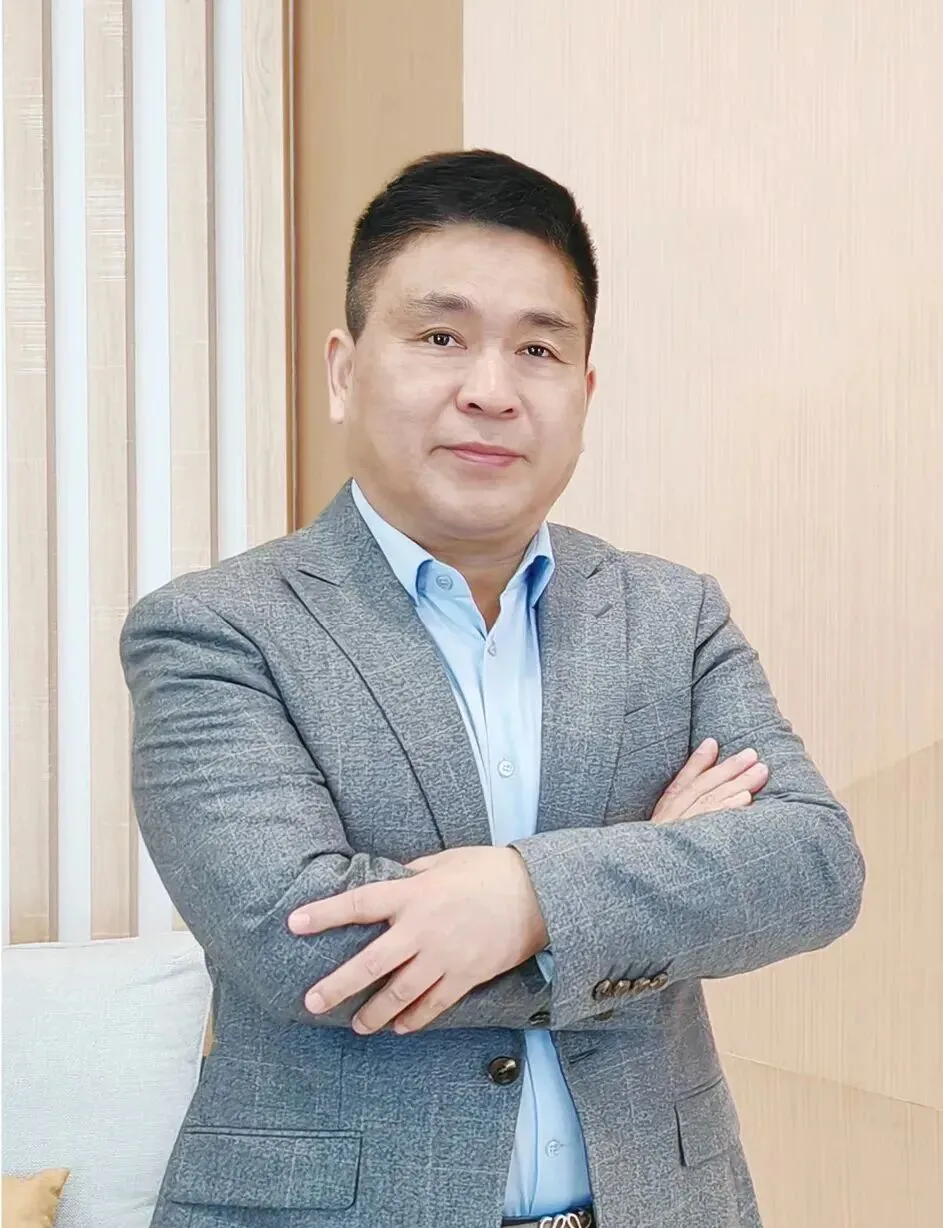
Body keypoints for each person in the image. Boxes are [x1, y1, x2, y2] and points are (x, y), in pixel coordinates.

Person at [121, 150, 865, 1228]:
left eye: (538, 348)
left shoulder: (672, 614)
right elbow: (308, 947)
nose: (490, 388)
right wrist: (654, 887)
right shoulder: (216, 628)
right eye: (440, 337)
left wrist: (521, 900)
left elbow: (811, 865)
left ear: (585, 392)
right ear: (343, 370)